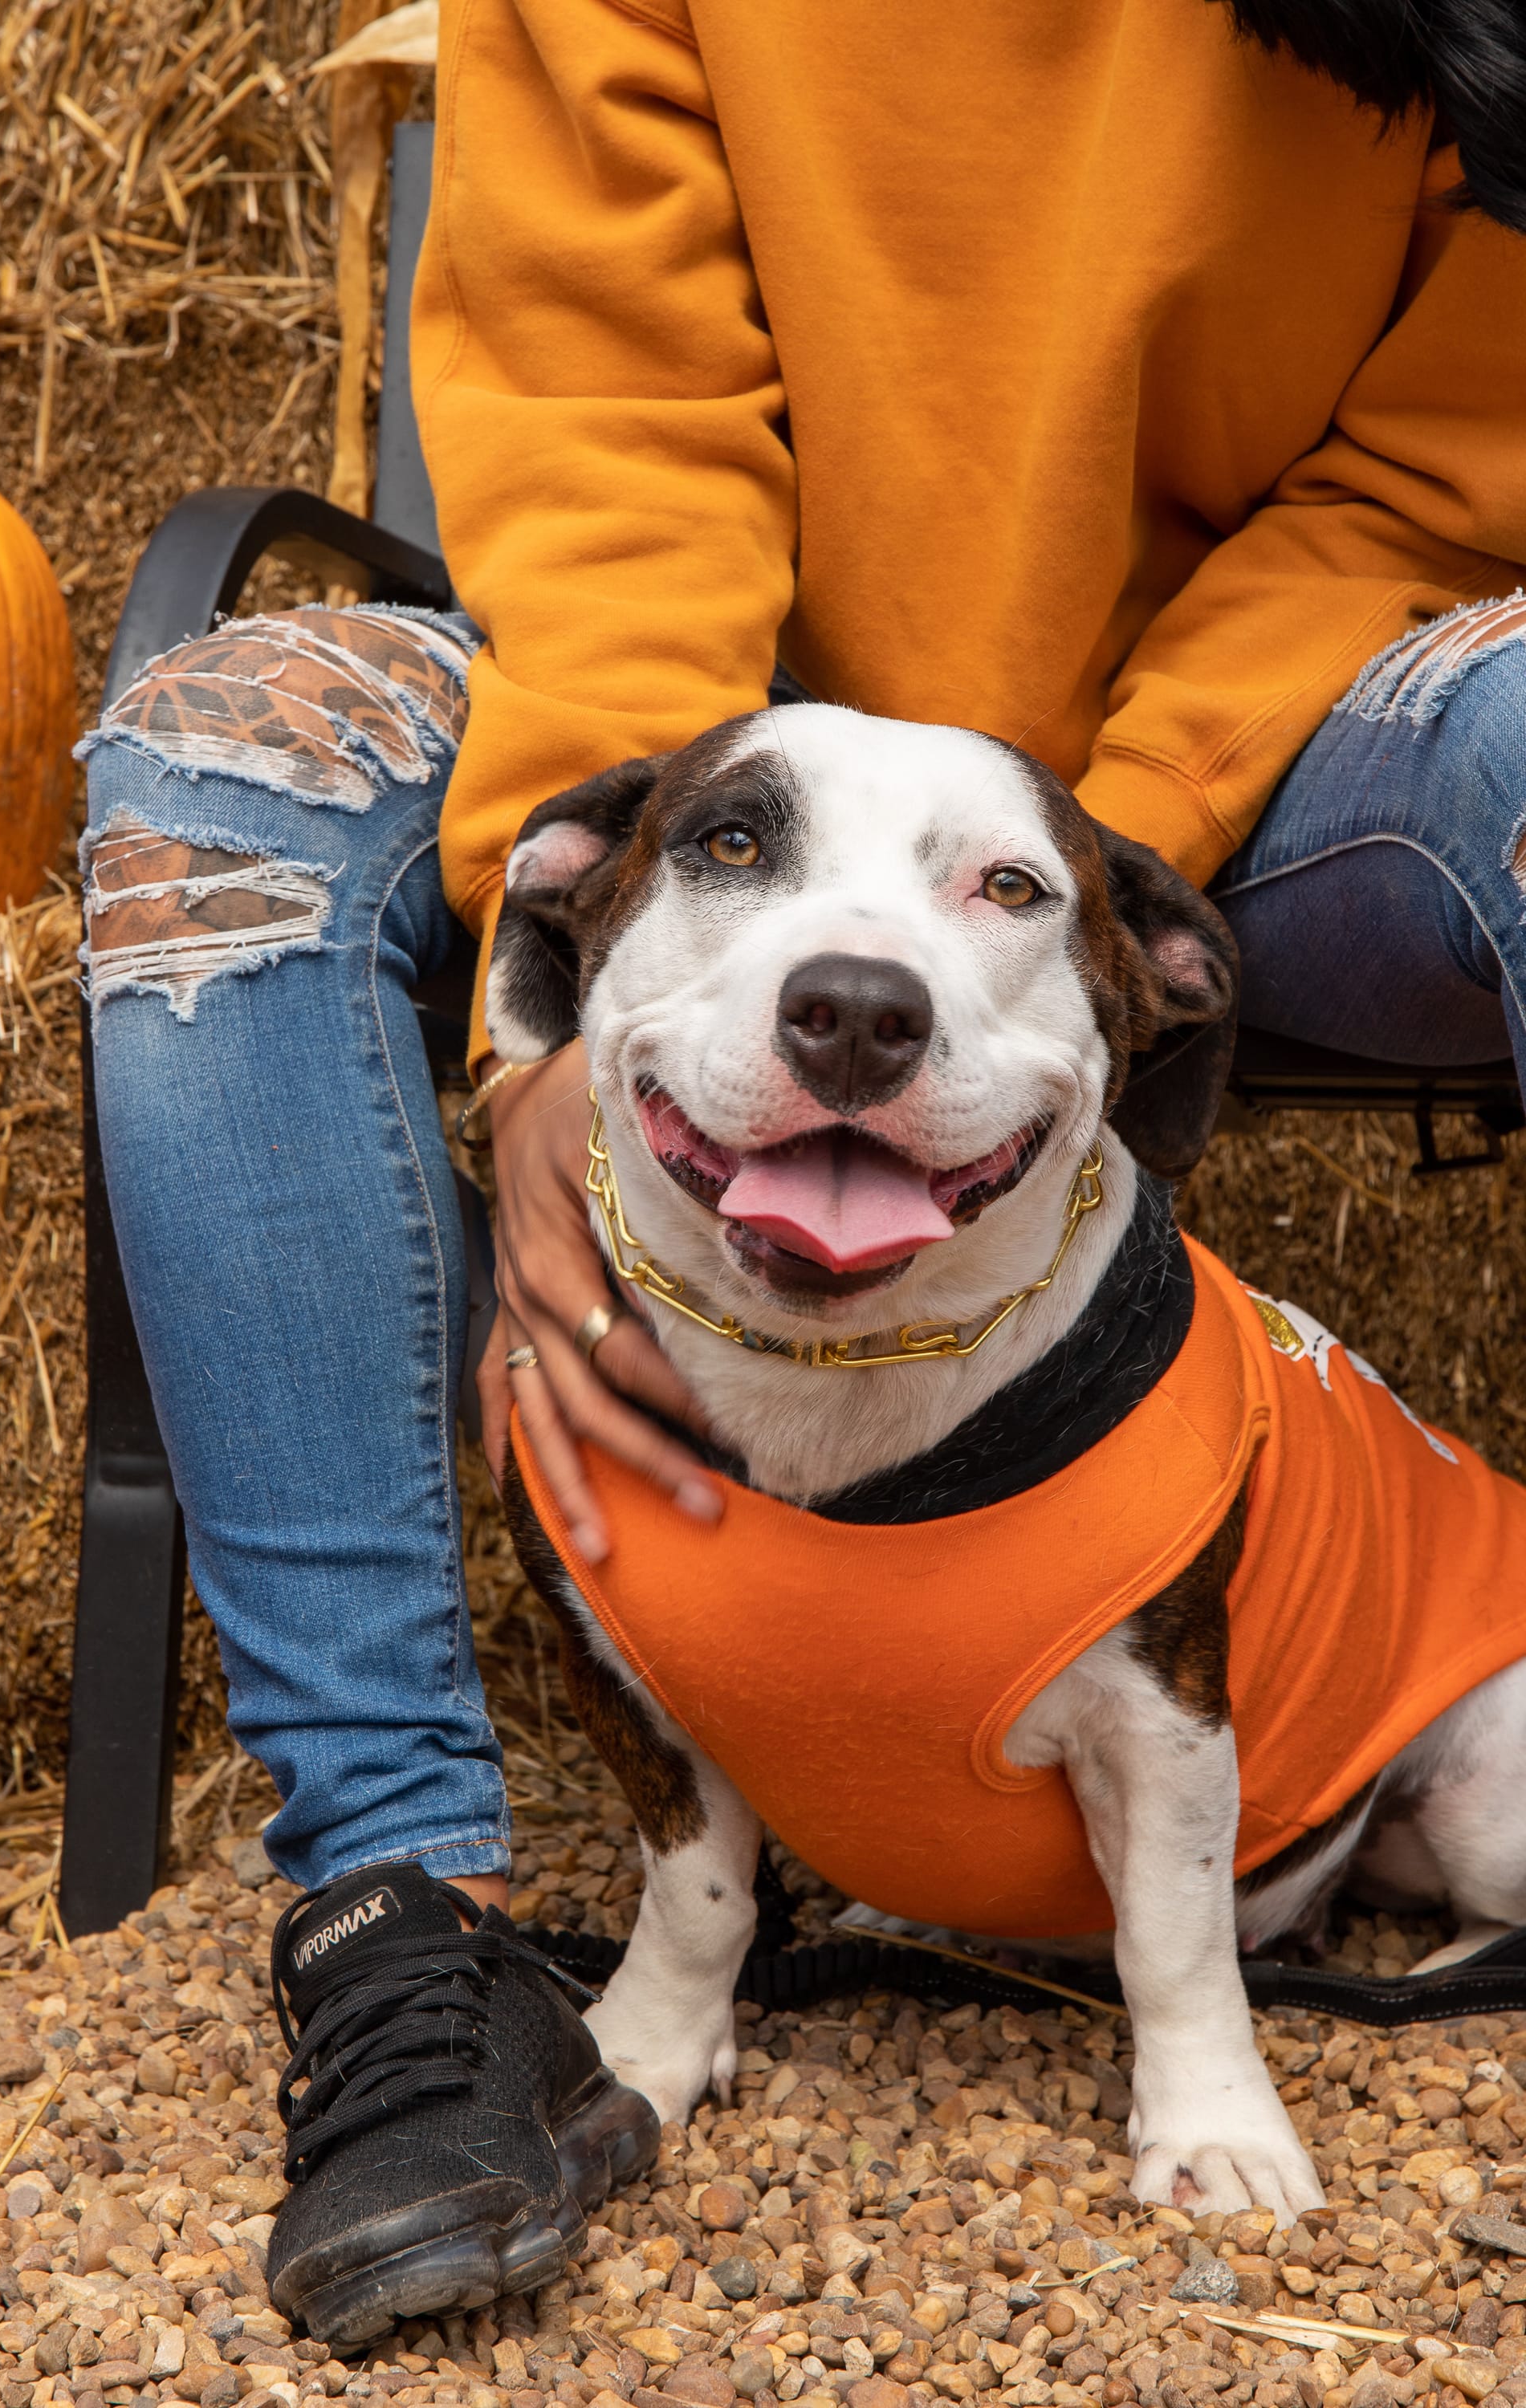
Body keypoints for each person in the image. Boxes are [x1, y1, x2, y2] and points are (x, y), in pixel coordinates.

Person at [78, 0, 1526, 2338]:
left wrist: (1068, 880)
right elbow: (611, 408)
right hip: (708, 734)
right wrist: (571, 991)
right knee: (216, 769)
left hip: (1245, 724)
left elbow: (1443, 464)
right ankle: (402, 1908)